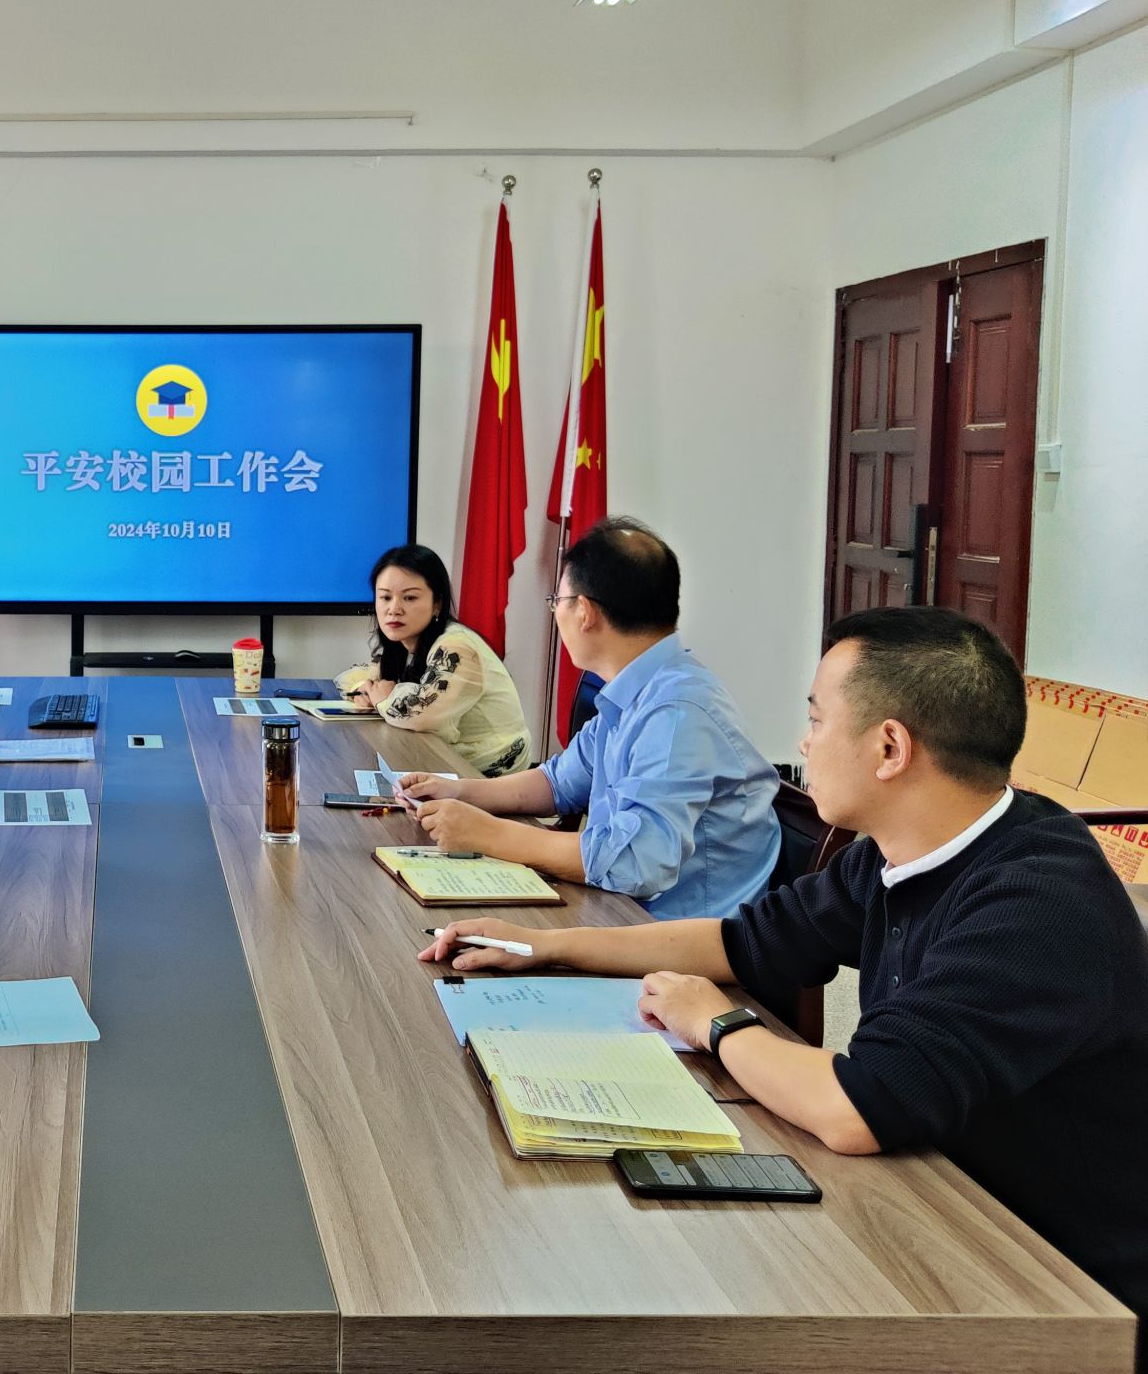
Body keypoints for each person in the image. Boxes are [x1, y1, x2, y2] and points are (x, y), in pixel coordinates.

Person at [420, 606, 1148, 1347]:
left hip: (1060, 1289)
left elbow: (859, 1105)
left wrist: (716, 1022)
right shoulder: (895, 851)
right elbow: (742, 941)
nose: (804, 742)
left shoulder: (1037, 902)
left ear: (889, 747)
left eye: (817, 718)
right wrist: (552, 947)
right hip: (934, 1200)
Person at [400, 517, 777, 920]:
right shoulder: (638, 689)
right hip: (618, 909)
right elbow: (558, 782)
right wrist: (459, 791)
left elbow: (635, 863)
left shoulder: (677, 713)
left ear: (584, 611)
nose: (555, 613)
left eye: (556, 601)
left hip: (674, 934)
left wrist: (490, 834)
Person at [336, 544, 531, 777]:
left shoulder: (456, 647)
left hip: (490, 773)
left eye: (409, 597)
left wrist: (384, 699)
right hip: (441, 760)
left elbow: (423, 715)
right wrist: (367, 690)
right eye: (385, 597)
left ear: (437, 603)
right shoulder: (404, 643)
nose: (394, 609)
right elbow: (353, 677)